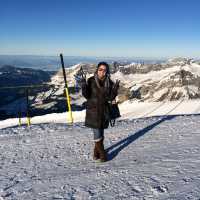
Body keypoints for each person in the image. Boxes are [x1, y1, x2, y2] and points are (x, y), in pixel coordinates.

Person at [79, 62, 120, 162]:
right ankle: (103, 155)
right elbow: (87, 95)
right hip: (93, 112)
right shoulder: (91, 80)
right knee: (97, 134)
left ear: (107, 71)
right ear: (97, 70)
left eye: (104, 70)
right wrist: (84, 85)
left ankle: (95, 153)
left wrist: (114, 89)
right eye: (100, 69)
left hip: (104, 112)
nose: (102, 72)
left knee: (101, 133)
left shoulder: (109, 82)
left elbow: (110, 97)